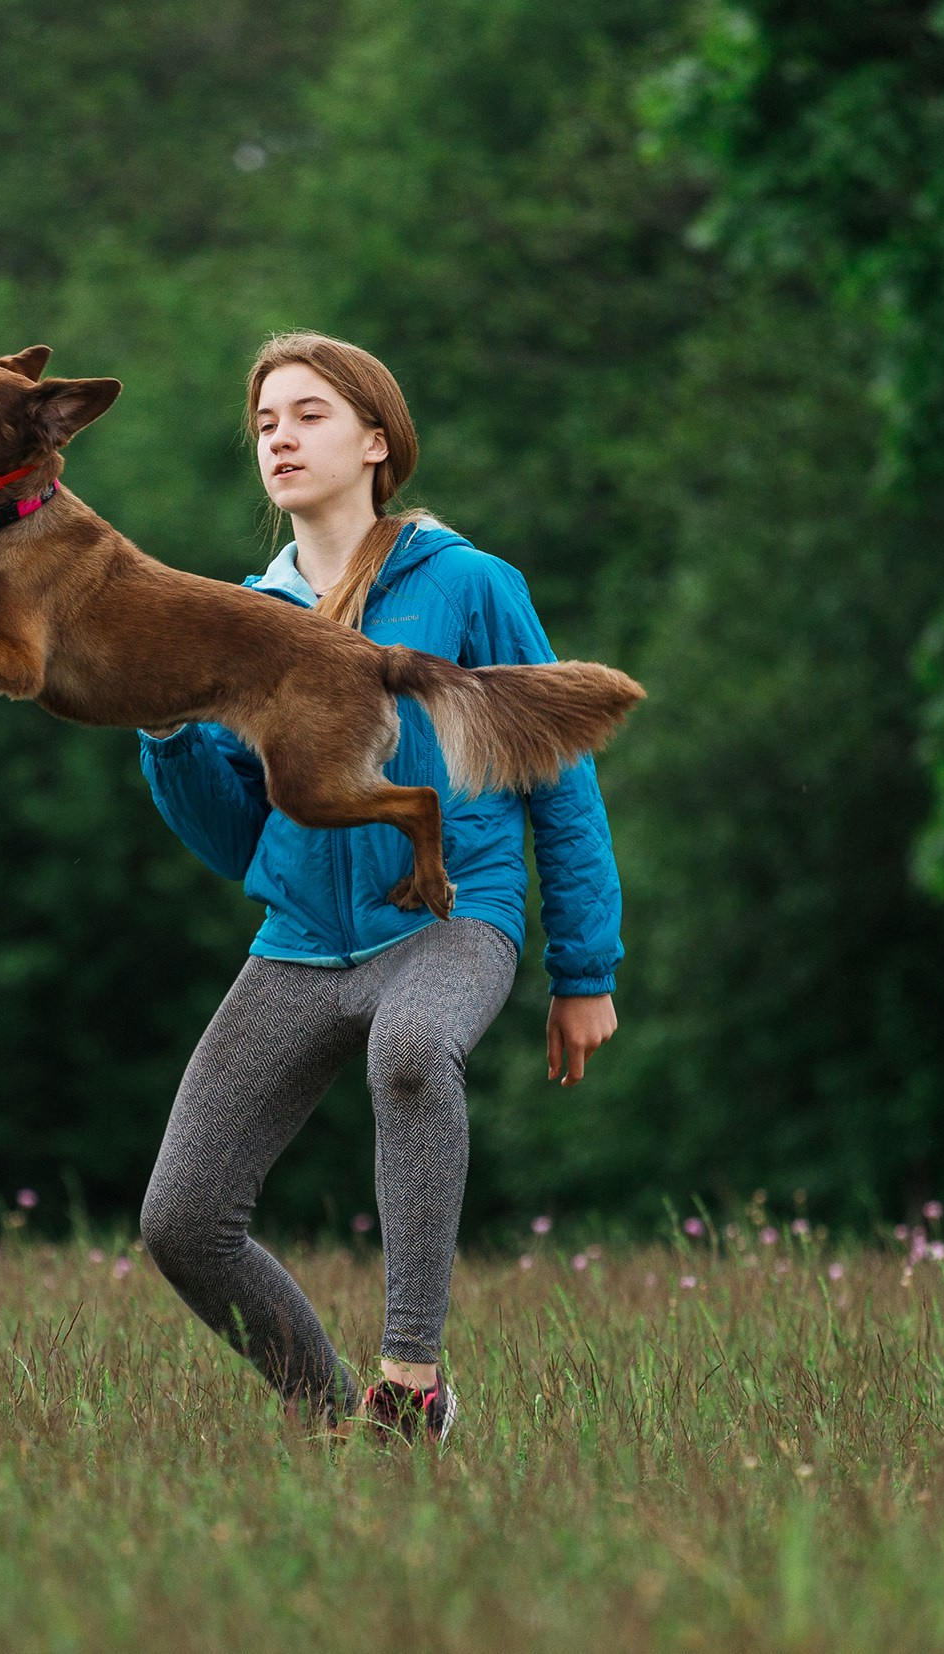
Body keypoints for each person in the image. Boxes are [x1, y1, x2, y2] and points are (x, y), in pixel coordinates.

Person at [135, 331, 622, 1445]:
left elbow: (558, 774)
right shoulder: (241, 618)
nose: (280, 438)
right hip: (300, 941)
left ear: (374, 440)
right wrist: (166, 727)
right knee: (182, 1221)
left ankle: (413, 1380)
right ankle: (344, 1425)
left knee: (409, 1048)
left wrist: (583, 967)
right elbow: (238, 836)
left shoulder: (468, 585)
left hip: (452, 917)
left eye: (308, 415)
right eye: (265, 422)